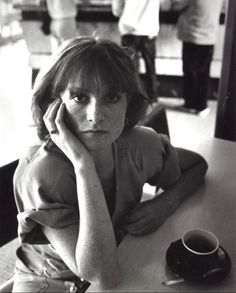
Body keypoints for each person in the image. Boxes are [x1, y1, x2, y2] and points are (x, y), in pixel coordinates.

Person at [12, 36, 208, 292]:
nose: (96, 115)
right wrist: (83, 164)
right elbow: (102, 276)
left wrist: (164, 205)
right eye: (80, 97)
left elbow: (198, 166)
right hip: (49, 280)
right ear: (54, 105)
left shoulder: (139, 146)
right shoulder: (44, 174)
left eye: (112, 97)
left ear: (129, 103)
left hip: (120, 260)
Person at [171, 0, 225, 114]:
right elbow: (224, 9)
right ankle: (202, 106)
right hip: (210, 37)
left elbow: (176, 5)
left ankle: (190, 104)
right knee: (204, 74)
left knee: (189, 72)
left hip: (192, 36)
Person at [111, 0, 160, 102]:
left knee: (131, 68)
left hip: (129, 30)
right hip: (149, 29)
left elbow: (116, 10)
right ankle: (152, 96)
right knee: (150, 66)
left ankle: (135, 98)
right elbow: (166, 5)